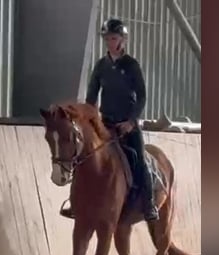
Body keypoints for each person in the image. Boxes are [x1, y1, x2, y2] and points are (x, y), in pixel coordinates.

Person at [60, 17, 158, 221]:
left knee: (140, 160)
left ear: (123, 40)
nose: (110, 42)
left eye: (114, 38)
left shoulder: (131, 65)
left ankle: (149, 205)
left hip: (127, 125)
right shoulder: (101, 66)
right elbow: (91, 98)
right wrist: (87, 121)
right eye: (107, 39)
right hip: (106, 123)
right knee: (84, 156)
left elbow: (142, 96)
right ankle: (75, 202)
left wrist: (131, 122)